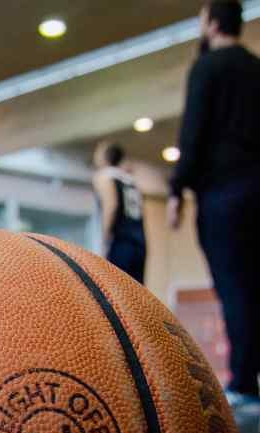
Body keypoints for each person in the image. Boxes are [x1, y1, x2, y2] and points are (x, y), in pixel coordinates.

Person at [168, 1, 260, 410]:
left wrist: (177, 188)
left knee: (234, 286)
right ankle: (248, 376)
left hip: (224, 193)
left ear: (212, 22)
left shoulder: (208, 67)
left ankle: (244, 381)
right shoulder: (256, 68)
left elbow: (194, 131)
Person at [92, 142, 147, 283]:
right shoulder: (130, 180)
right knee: (135, 291)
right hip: (139, 241)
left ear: (105, 157)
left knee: (115, 290)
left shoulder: (105, 176)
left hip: (120, 241)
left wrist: (104, 238)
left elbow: (112, 205)